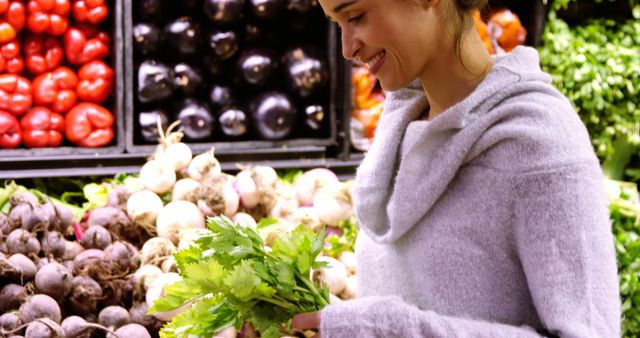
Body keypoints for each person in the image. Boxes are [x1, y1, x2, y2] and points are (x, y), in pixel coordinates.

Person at [291, 0, 622, 337]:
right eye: (336, 23)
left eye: (356, 17)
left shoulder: (541, 144)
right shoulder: (402, 122)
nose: (347, 49)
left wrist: (390, 330)